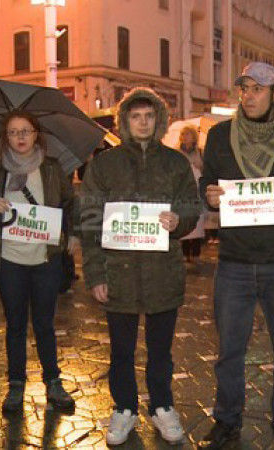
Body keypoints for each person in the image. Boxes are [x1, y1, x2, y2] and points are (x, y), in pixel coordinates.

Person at [197, 61, 274, 450]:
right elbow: (207, 182)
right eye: (244, 88)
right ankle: (227, 418)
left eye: (257, 89)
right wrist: (209, 194)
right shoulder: (220, 136)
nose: (248, 95)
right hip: (234, 261)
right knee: (229, 350)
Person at [79, 87, 200, 446]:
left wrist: (179, 220)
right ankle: (125, 407)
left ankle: (162, 405)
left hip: (163, 272)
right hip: (119, 273)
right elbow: (89, 219)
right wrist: (96, 273)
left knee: (161, 349)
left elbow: (191, 208)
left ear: (159, 120)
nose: (143, 123)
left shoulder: (176, 163)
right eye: (136, 116)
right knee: (121, 349)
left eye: (149, 116)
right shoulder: (104, 164)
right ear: (125, 121)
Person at [0, 110, 77, 414]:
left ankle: (53, 382)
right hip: (10, 260)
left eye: (26, 131)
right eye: (14, 132)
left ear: (36, 135)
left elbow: (71, 204)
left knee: (45, 323)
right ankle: (16, 384)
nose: (20, 137)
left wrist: (74, 235)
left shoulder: (53, 168)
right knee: (15, 325)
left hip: (45, 258)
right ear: (6, 137)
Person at [177, 125, 206, 266]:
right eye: (183, 134)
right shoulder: (177, 153)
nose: (185, 137)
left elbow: (206, 169)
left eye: (187, 134)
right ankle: (184, 253)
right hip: (183, 191)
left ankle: (195, 254)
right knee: (184, 219)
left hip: (198, 190)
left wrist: (198, 166)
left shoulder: (200, 152)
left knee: (197, 222)